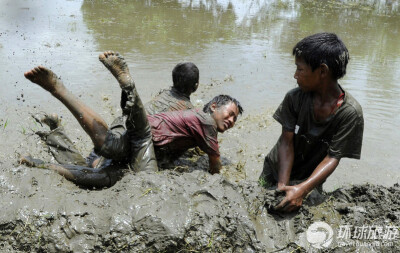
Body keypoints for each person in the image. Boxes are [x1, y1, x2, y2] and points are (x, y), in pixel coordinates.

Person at [22, 51, 243, 188]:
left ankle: (53, 135)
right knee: (103, 171)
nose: (232, 120)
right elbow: (209, 159)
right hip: (137, 142)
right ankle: (126, 87)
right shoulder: (195, 116)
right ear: (197, 89)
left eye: (234, 117)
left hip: (123, 126)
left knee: (95, 164)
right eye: (230, 114)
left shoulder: (162, 95)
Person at [259, 33, 364, 212]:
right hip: (276, 170)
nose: (295, 75)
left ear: (322, 71)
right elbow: (286, 142)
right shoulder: (294, 98)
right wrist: (282, 186)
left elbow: (333, 157)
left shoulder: (349, 113)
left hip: (310, 177)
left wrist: (303, 189)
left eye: (300, 69)